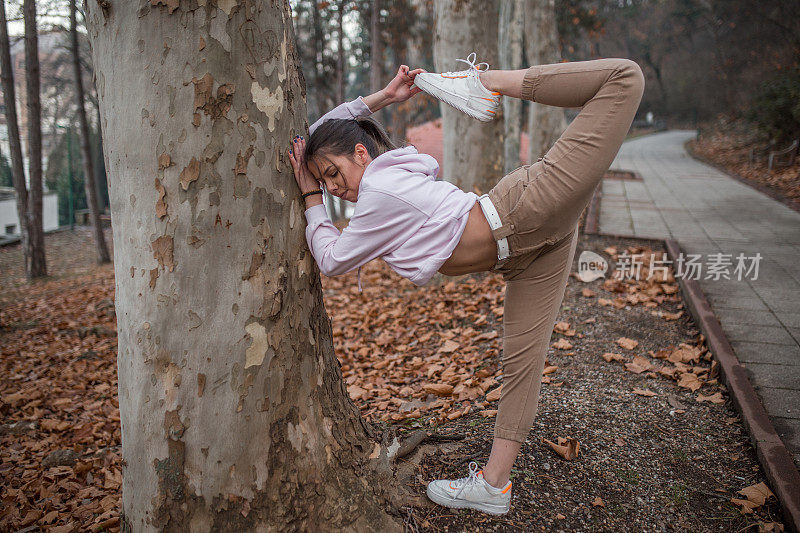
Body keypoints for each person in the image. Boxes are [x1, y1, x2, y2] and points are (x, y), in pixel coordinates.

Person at [288, 53, 644, 516]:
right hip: (525, 252)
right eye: (324, 182)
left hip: (526, 210)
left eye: (333, 174)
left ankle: (483, 82)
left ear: (360, 153)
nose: (333, 188)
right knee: (523, 363)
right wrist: (384, 97)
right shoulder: (385, 173)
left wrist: (310, 196)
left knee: (623, 78)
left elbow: (332, 260)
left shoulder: (379, 194)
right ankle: (494, 487)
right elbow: (323, 135)